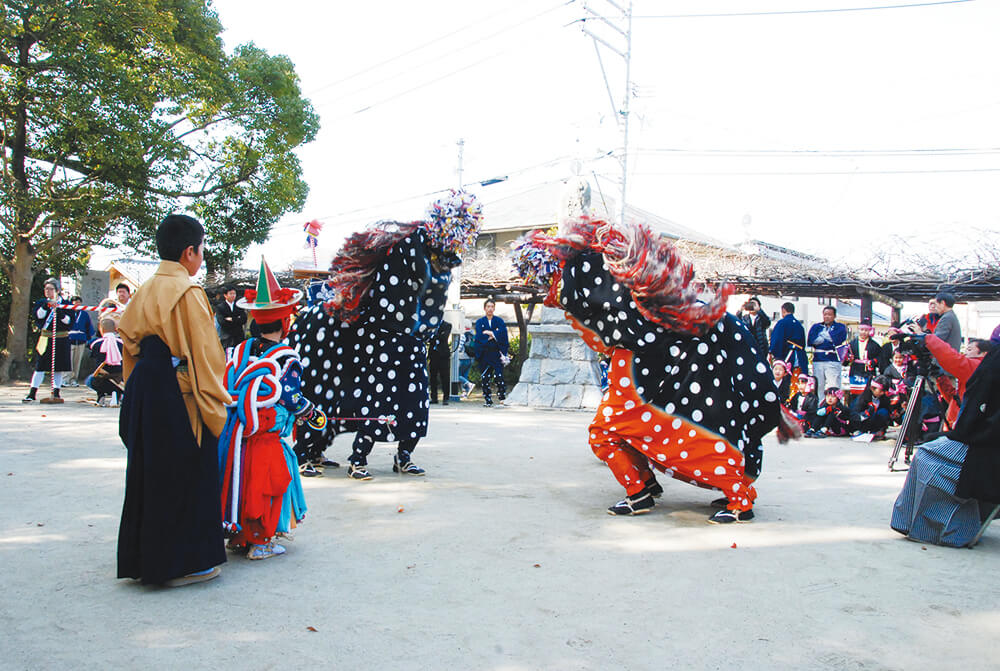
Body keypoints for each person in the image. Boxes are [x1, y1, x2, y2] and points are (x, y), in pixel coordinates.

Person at [510, 217, 793, 524]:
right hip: (644, 366)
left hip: (641, 371)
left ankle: (721, 496)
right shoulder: (635, 301)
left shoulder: (622, 303)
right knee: (625, 430)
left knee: (606, 432)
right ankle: (646, 485)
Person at [290, 190, 483, 480]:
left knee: (415, 399)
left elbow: (434, 302)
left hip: (411, 340)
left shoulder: (443, 258)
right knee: (371, 396)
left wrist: (423, 331)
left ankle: (403, 455)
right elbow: (392, 297)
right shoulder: (407, 246)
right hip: (380, 334)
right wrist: (409, 327)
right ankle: (326, 454)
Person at [116, 214, 230, 587]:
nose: (202, 258)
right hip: (179, 392)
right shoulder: (188, 292)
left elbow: (129, 341)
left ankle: (143, 560)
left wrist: (141, 386)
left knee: (149, 471)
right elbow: (207, 356)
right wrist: (215, 403)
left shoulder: (145, 288)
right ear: (188, 252)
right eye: (201, 250)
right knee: (187, 471)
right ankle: (184, 563)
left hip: (147, 388)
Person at [218, 259, 323, 560]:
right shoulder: (286, 357)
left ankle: (238, 535)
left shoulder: (240, 351)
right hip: (267, 432)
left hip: (238, 431)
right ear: (284, 324)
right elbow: (290, 396)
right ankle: (261, 541)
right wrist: (311, 413)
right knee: (268, 483)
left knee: (239, 478)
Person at [891, 344, 1000, 547]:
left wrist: (929, 340)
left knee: (925, 455)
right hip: (978, 434)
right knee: (931, 446)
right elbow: (951, 395)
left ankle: (926, 526)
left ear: (983, 354)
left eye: (971, 348)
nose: (966, 350)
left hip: (983, 445)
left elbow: (954, 361)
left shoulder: (980, 364)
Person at [23, 278, 73, 404]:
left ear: (57, 291)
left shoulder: (65, 303)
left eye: (51, 289)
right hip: (46, 337)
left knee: (58, 367)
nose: (48, 291)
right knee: (40, 366)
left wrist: (59, 311)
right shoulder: (41, 303)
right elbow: (38, 316)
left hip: (61, 337)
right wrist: (47, 306)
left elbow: (69, 321)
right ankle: (32, 392)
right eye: (46, 289)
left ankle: (56, 391)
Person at [473, 299, 510, 407]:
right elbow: (479, 336)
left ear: (494, 308)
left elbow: (503, 334)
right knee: (485, 377)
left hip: (496, 353)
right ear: (484, 308)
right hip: (484, 353)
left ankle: (502, 397)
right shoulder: (480, 322)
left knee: (499, 375)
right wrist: (494, 334)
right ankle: (488, 399)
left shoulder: (499, 321)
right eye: (488, 306)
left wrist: (490, 333)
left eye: (492, 306)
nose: (490, 308)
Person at [807, 306, 847, 396]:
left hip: (832, 359)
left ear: (834, 316)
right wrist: (827, 338)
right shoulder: (816, 327)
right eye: (825, 314)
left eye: (829, 314)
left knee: (834, 385)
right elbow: (811, 340)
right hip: (818, 359)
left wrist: (823, 337)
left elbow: (836, 339)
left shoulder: (840, 327)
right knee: (818, 385)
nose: (827, 317)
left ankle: (835, 406)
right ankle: (819, 406)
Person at [86, 317, 124, 406]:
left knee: (90, 379)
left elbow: (89, 346)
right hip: (119, 379)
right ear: (115, 329)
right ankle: (116, 394)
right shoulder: (122, 343)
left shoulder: (95, 343)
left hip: (100, 380)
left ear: (101, 329)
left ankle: (101, 395)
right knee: (120, 375)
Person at [843, 320, 882, 397]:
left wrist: (872, 362)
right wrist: (848, 358)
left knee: (868, 394)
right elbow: (845, 360)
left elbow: (880, 358)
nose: (864, 332)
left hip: (868, 371)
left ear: (870, 331)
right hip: (855, 371)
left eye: (866, 330)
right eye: (862, 330)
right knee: (855, 395)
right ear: (858, 329)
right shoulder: (851, 344)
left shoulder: (875, 345)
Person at [768, 302, 808, 374]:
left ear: (783, 310)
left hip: (786, 354)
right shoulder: (799, 325)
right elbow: (803, 343)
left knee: (786, 378)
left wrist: (774, 353)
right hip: (799, 356)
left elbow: (776, 340)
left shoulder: (782, 323)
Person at [67, 296, 95, 387]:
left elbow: (88, 327)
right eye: (74, 302)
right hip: (69, 338)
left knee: (77, 361)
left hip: (81, 339)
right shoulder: (68, 312)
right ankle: (66, 379)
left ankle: (74, 379)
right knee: (68, 360)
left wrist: (88, 339)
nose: (76, 304)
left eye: (78, 302)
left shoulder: (84, 314)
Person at [737, 296, 771, 362]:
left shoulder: (761, 318)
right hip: (748, 346)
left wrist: (759, 310)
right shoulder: (745, 318)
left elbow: (767, 322)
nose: (752, 306)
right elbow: (737, 323)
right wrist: (740, 310)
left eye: (754, 304)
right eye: (750, 304)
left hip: (761, 347)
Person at [427, 319, 453, 405]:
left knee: (445, 377)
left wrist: (434, 336)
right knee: (433, 377)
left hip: (443, 355)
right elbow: (428, 337)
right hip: (433, 354)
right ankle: (434, 397)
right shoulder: (431, 324)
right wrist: (434, 336)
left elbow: (444, 337)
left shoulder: (447, 325)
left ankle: (446, 398)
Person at [457, 325, 475, 398]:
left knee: (456, 375)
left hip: (462, 357)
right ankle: (465, 393)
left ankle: (469, 384)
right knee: (464, 375)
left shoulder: (462, 335)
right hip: (470, 358)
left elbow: (459, 348)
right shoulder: (472, 334)